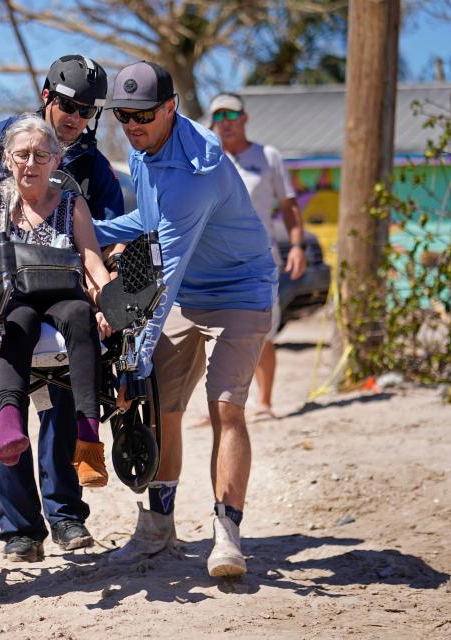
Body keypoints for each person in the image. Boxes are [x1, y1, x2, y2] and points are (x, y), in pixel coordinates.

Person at [0, 54, 125, 559]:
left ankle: (65, 517)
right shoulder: (1, 140)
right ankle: (19, 529)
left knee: (63, 391)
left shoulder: (90, 168)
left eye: (86, 110)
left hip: (63, 287)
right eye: (67, 105)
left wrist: (107, 285)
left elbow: (108, 240)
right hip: (0, 285)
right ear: (47, 97)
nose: (75, 116)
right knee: (1, 384)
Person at [91, 62, 277, 578]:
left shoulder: (198, 172)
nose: (131, 124)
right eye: (122, 115)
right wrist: (90, 227)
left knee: (226, 409)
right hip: (190, 290)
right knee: (162, 407)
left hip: (240, 291)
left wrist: (135, 356)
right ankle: (157, 533)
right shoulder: (145, 145)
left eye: (142, 114)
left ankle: (228, 537)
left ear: (171, 107)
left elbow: (164, 270)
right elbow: (153, 221)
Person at [0, 113, 113, 481]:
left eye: (41, 156)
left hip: (61, 291)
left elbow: (92, 263)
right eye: (23, 155)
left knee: (79, 313)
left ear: (56, 161)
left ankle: (88, 438)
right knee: (18, 320)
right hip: (7, 297)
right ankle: (10, 420)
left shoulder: (72, 204)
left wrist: (109, 304)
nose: (31, 163)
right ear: (8, 160)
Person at [209, 93, 307, 419]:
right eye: (218, 117)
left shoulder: (268, 157)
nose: (226, 124)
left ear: (244, 118)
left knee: (262, 333)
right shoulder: (209, 161)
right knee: (215, 335)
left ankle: (264, 403)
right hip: (217, 261)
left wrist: (297, 246)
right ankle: (218, 404)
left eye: (231, 116)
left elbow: (290, 206)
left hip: (259, 261)